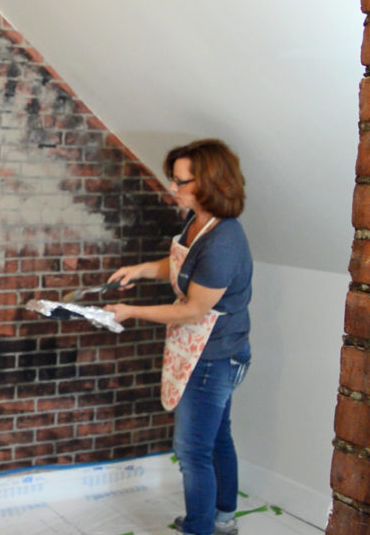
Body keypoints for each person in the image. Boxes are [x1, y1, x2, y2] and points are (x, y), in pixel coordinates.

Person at [104, 138, 252, 535]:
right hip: (204, 348)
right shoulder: (197, 219)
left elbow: (192, 309)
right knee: (218, 436)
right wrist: (138, 270)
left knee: (192, 451)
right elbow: (178, 265)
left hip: (215, 355)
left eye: (181, 182)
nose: (173, 189)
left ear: (209, 184)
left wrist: (130, 311)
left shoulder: (224, 242)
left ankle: (199, 528)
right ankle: (222, 519)